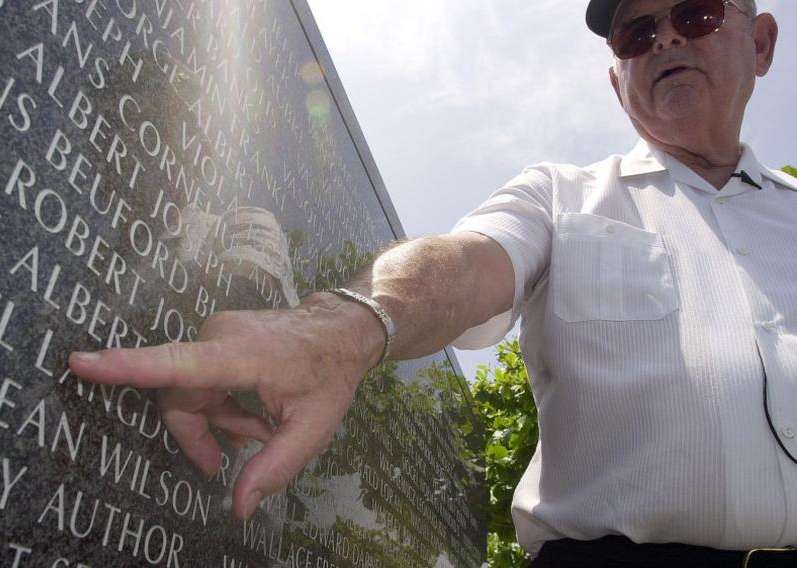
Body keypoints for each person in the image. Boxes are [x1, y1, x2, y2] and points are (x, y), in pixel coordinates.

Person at [70, 0, 797, 565]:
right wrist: (342, 326)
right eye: (636, 35)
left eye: (695, 14)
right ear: (616, 79)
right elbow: (467, 261)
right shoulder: (561, 195)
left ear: (760, 41)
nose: (664, 38)